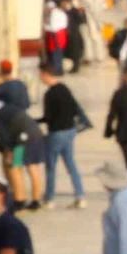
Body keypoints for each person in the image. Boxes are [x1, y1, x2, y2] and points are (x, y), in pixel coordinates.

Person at [40, 62, 91, 209]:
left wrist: (34, 121)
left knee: (51, 167)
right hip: (70, 131)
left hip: (56, 133)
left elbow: (48, 117)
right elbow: (75, 109)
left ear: (46, 75)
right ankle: (80, 196)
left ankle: (49, 199)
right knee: (71, 164)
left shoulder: (49, 94)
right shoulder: (65, 89)